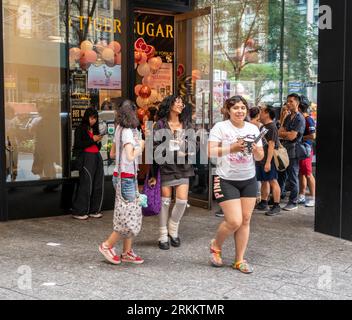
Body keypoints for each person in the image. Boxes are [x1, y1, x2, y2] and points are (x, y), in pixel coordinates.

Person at [208, 95, 264, 273]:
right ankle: (216, 245)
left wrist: (256, 151)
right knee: (234, 221)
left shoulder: (253, 129)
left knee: (246, 220)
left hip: (248, 179)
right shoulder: (220, 127)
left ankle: (239, 260)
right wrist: (231, 148)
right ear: (228, 110)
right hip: (226, 179)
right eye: (235, 108)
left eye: (242, 107)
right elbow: (210, 152)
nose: (239, 111)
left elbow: (260, 156)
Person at [99, 100, 145, 265]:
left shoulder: (119, 130)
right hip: (126, 178)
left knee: (129, 214)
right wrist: (141, 146)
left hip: (121, 176)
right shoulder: (127, 132)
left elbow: (112, 154)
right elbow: (131, 155)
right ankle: (107, 245)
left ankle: (127, 252)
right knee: (127, 217)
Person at [150, 95, 195, 250]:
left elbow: (194, 144)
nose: (180, 105)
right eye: (177, 102)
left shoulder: (187, 124)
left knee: (182, 201)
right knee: (165, 202)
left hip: (184, 167)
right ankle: (163, 235)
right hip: (166, 167)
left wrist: (187, 149)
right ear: (169, 105)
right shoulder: (160, 125)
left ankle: (173, 229)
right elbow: (154, 148)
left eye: (182, 103)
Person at [72, 108, 104, 220]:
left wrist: (98, 141)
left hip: (96, 157)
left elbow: (97, 146)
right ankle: (80, 211)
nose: (93, 120)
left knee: (98, 184)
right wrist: (93, 140)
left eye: (95, 118)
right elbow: (78, 145)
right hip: (86, 157)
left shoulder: (94, 129)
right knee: (86, 184)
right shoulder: (80, 129)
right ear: (87, 117)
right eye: (91, 118)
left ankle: (94, 210)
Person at [278, 94, 306, 211]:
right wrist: (285, 132)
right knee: (282, 176)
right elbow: (280, 131)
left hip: (293, 152)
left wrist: (285, 134)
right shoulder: (289, 117)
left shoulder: (300, 118)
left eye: (290, 101)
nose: (288, 104)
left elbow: (292, 136)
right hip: (284, 150)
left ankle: (293, 202)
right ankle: (279, 197)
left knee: (293, 177)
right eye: (287, 101)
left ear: (297, 103)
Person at [255, 105, 281, 216]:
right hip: (261, 159)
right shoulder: (263, 127)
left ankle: (276, 205)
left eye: (261, 111)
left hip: (268, 160)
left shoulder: (272, 127)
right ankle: (264, 202)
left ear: (267, 113)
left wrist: (268, 162)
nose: (259, 113)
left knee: (273, 181)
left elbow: (271, 146)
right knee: (264, 180)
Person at [297, 101, 316, 207]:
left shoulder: (308, 119)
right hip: (301, 148)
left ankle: (314, 197)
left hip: (306, 149)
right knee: (302, 173)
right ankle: (302, 195)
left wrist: (300, 138)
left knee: (308, 174)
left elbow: (313, 136)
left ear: (299, 109)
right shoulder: (302, 119)